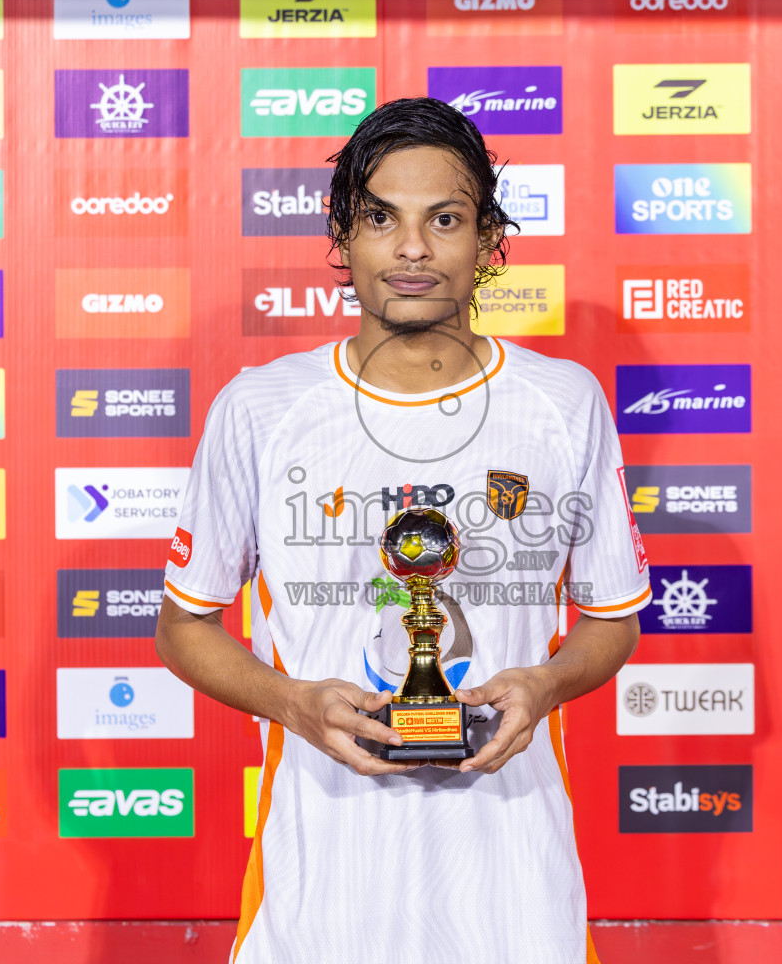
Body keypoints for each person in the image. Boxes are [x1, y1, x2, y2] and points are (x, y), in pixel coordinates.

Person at [154, 96, 651, 963]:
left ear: (490, 239)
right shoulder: (261, 411)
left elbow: (613, 619)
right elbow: (182, 625)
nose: (412, 248)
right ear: (342, 237)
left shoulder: (565, 405)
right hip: (318, 892)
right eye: (381, 217)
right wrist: (296, 707)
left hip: (513, 890)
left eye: (445, 219)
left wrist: (542, 684)